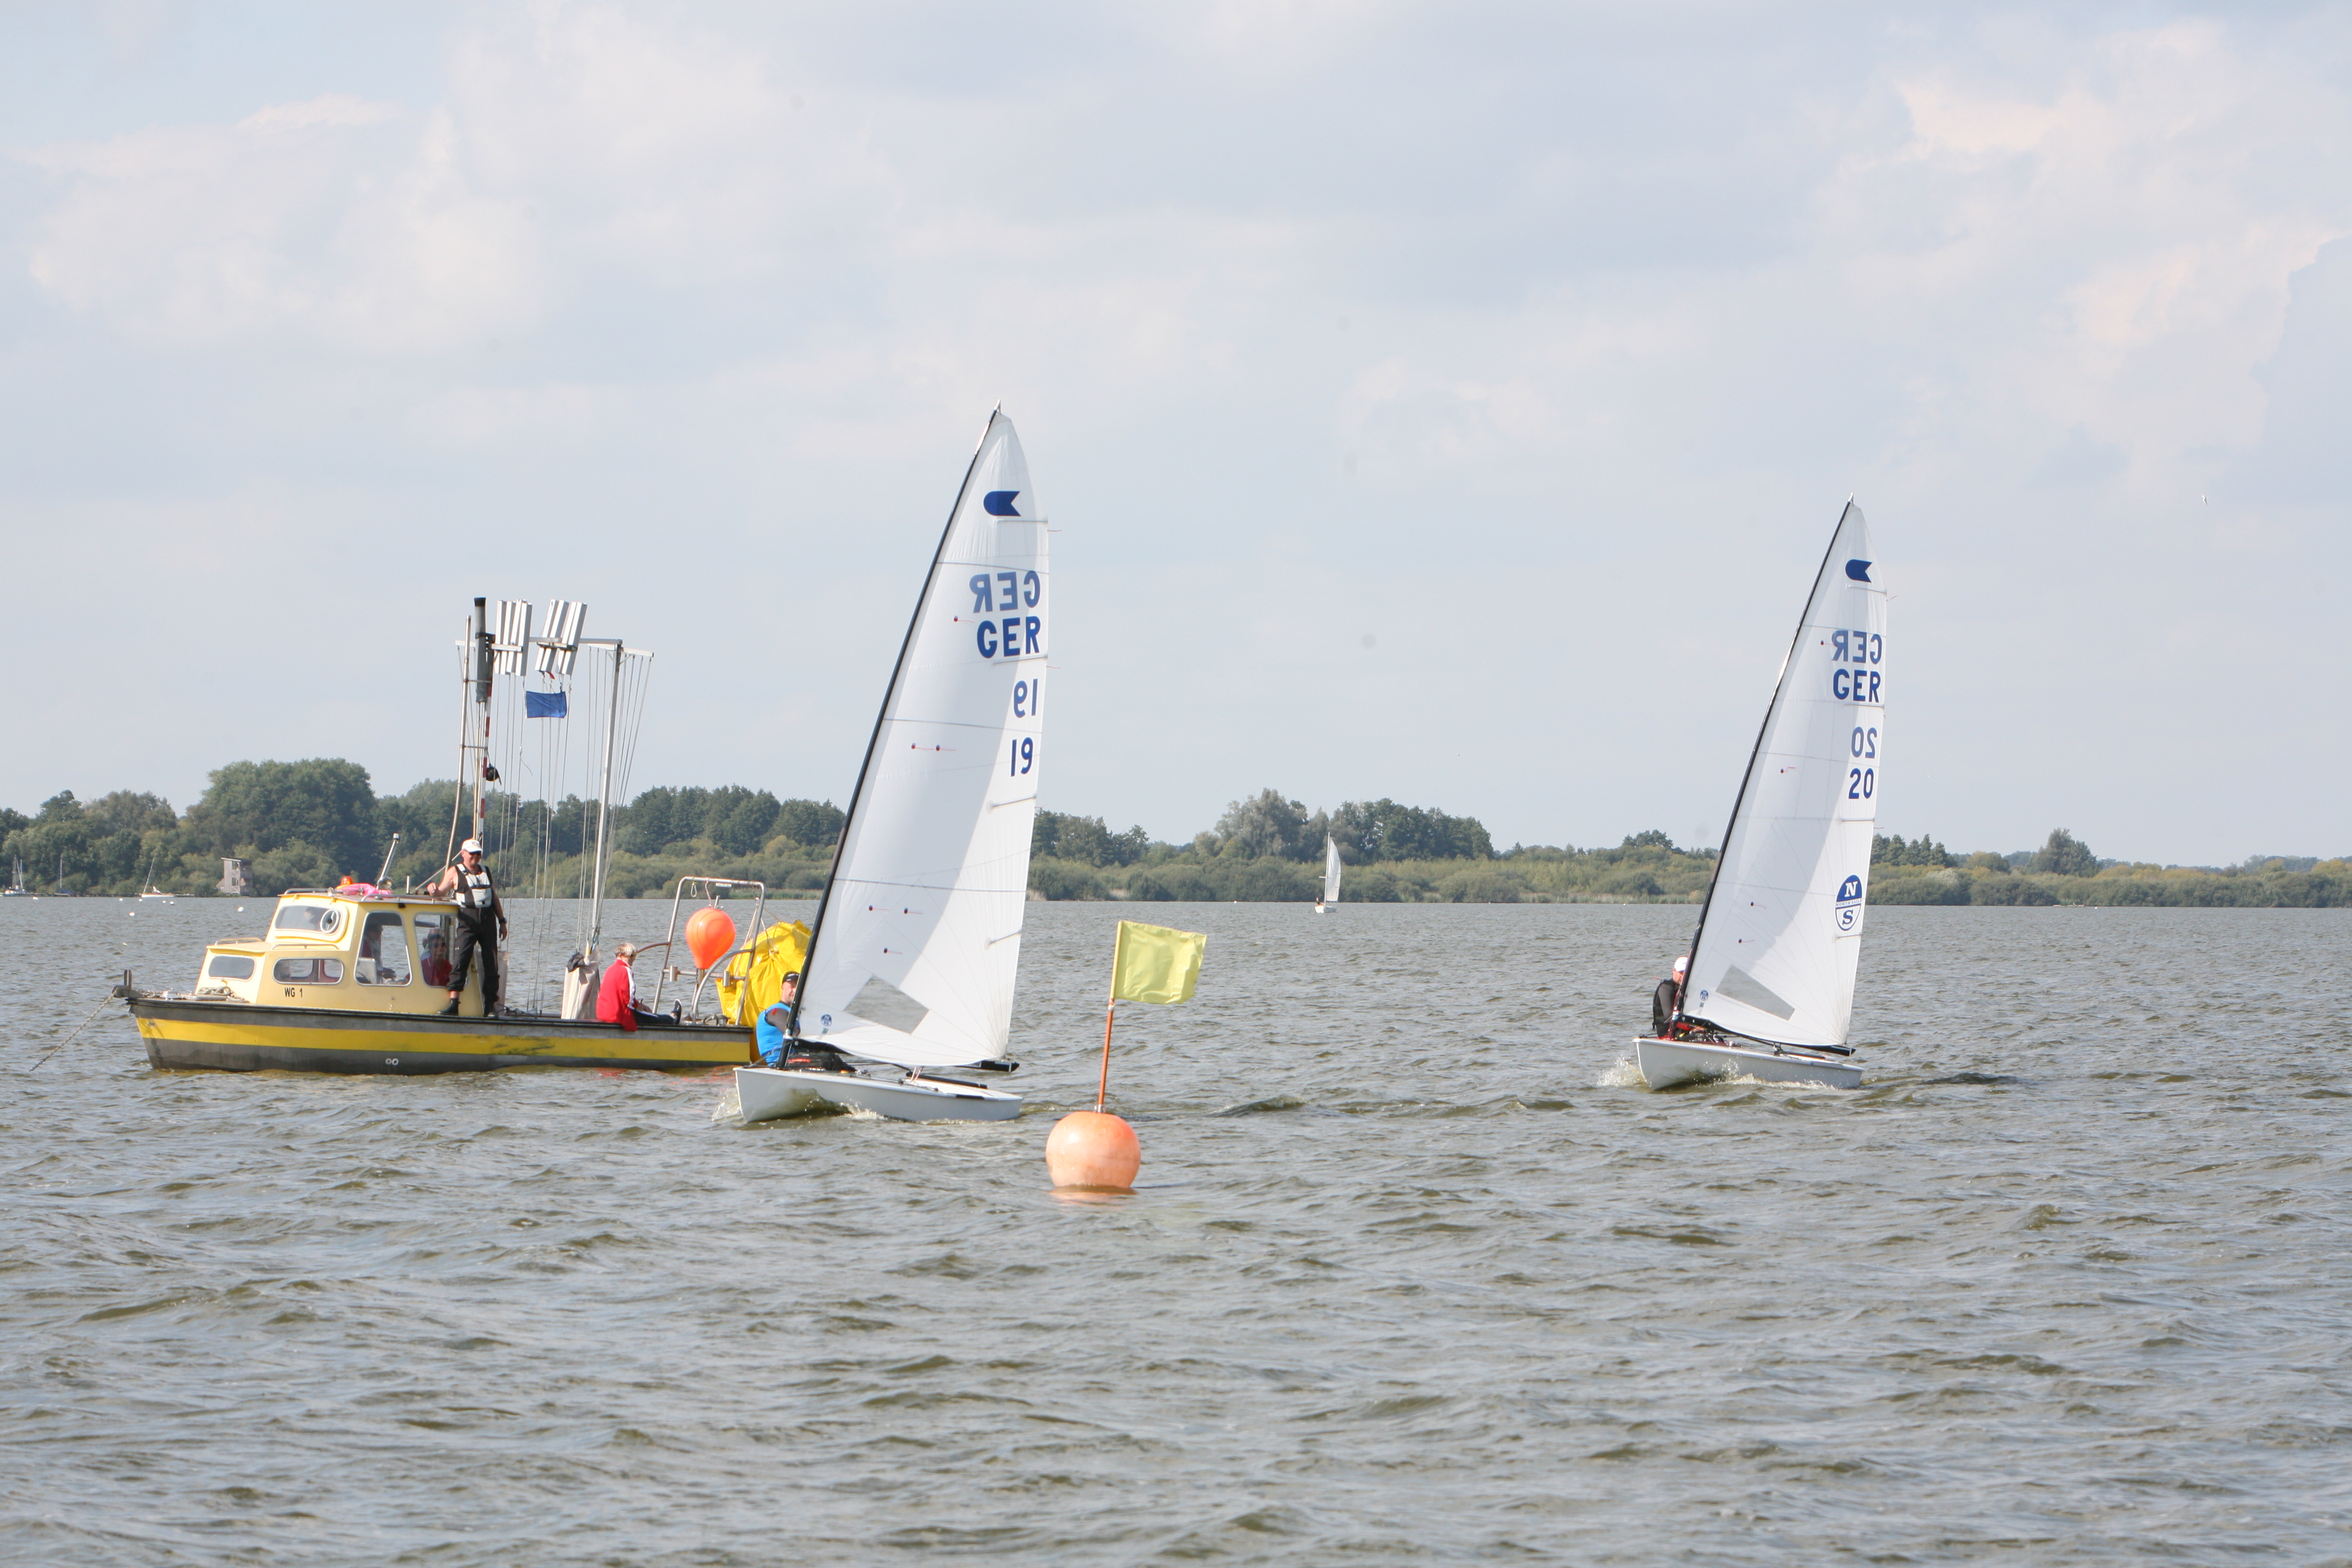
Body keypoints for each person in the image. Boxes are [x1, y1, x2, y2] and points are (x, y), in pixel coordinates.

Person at [427, 839, 507, 1016]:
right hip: (467, 920)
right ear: (463, 854)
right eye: (472, 854)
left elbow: (494, 897)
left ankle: (490, 1006)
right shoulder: (455, 871)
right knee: (460, 960)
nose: (475, 857)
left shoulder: (486, 871)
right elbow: (441, 892)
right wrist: (433, 890)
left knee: (491, 963)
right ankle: (454, 1003)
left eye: (478, 854)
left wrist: (502, 921)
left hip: (487, 920)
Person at [595, 941, 676, 1031]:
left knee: (645, 1013)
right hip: (619, 1015)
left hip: (603, 1014)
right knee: (652, 1018)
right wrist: (639, 1006)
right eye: (631, 956)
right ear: (620, 955)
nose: (634, 959)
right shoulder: (625, 970)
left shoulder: (610, 969)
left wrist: (638, 1005)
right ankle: (673, 1018)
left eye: (635, 956)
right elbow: (628, 998)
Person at [753, 972, 800, 1067]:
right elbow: (794, 1034)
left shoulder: (797, 1012)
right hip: (779, 1062)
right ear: (783, 988)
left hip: (797, 1058)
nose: (795, 990)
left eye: (798, 987)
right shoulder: (776, 1011)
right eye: (792, 986)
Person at [1651, 955, 1689, 1038]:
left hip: (1685, 1031)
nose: (1683, 976)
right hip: (1668, 1033)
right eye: (1681, 973)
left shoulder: (1688, 989)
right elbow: (1669, 1017)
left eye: (1686, 973)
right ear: (1674, 971)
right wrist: (1692, 1027)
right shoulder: (1666, 988)